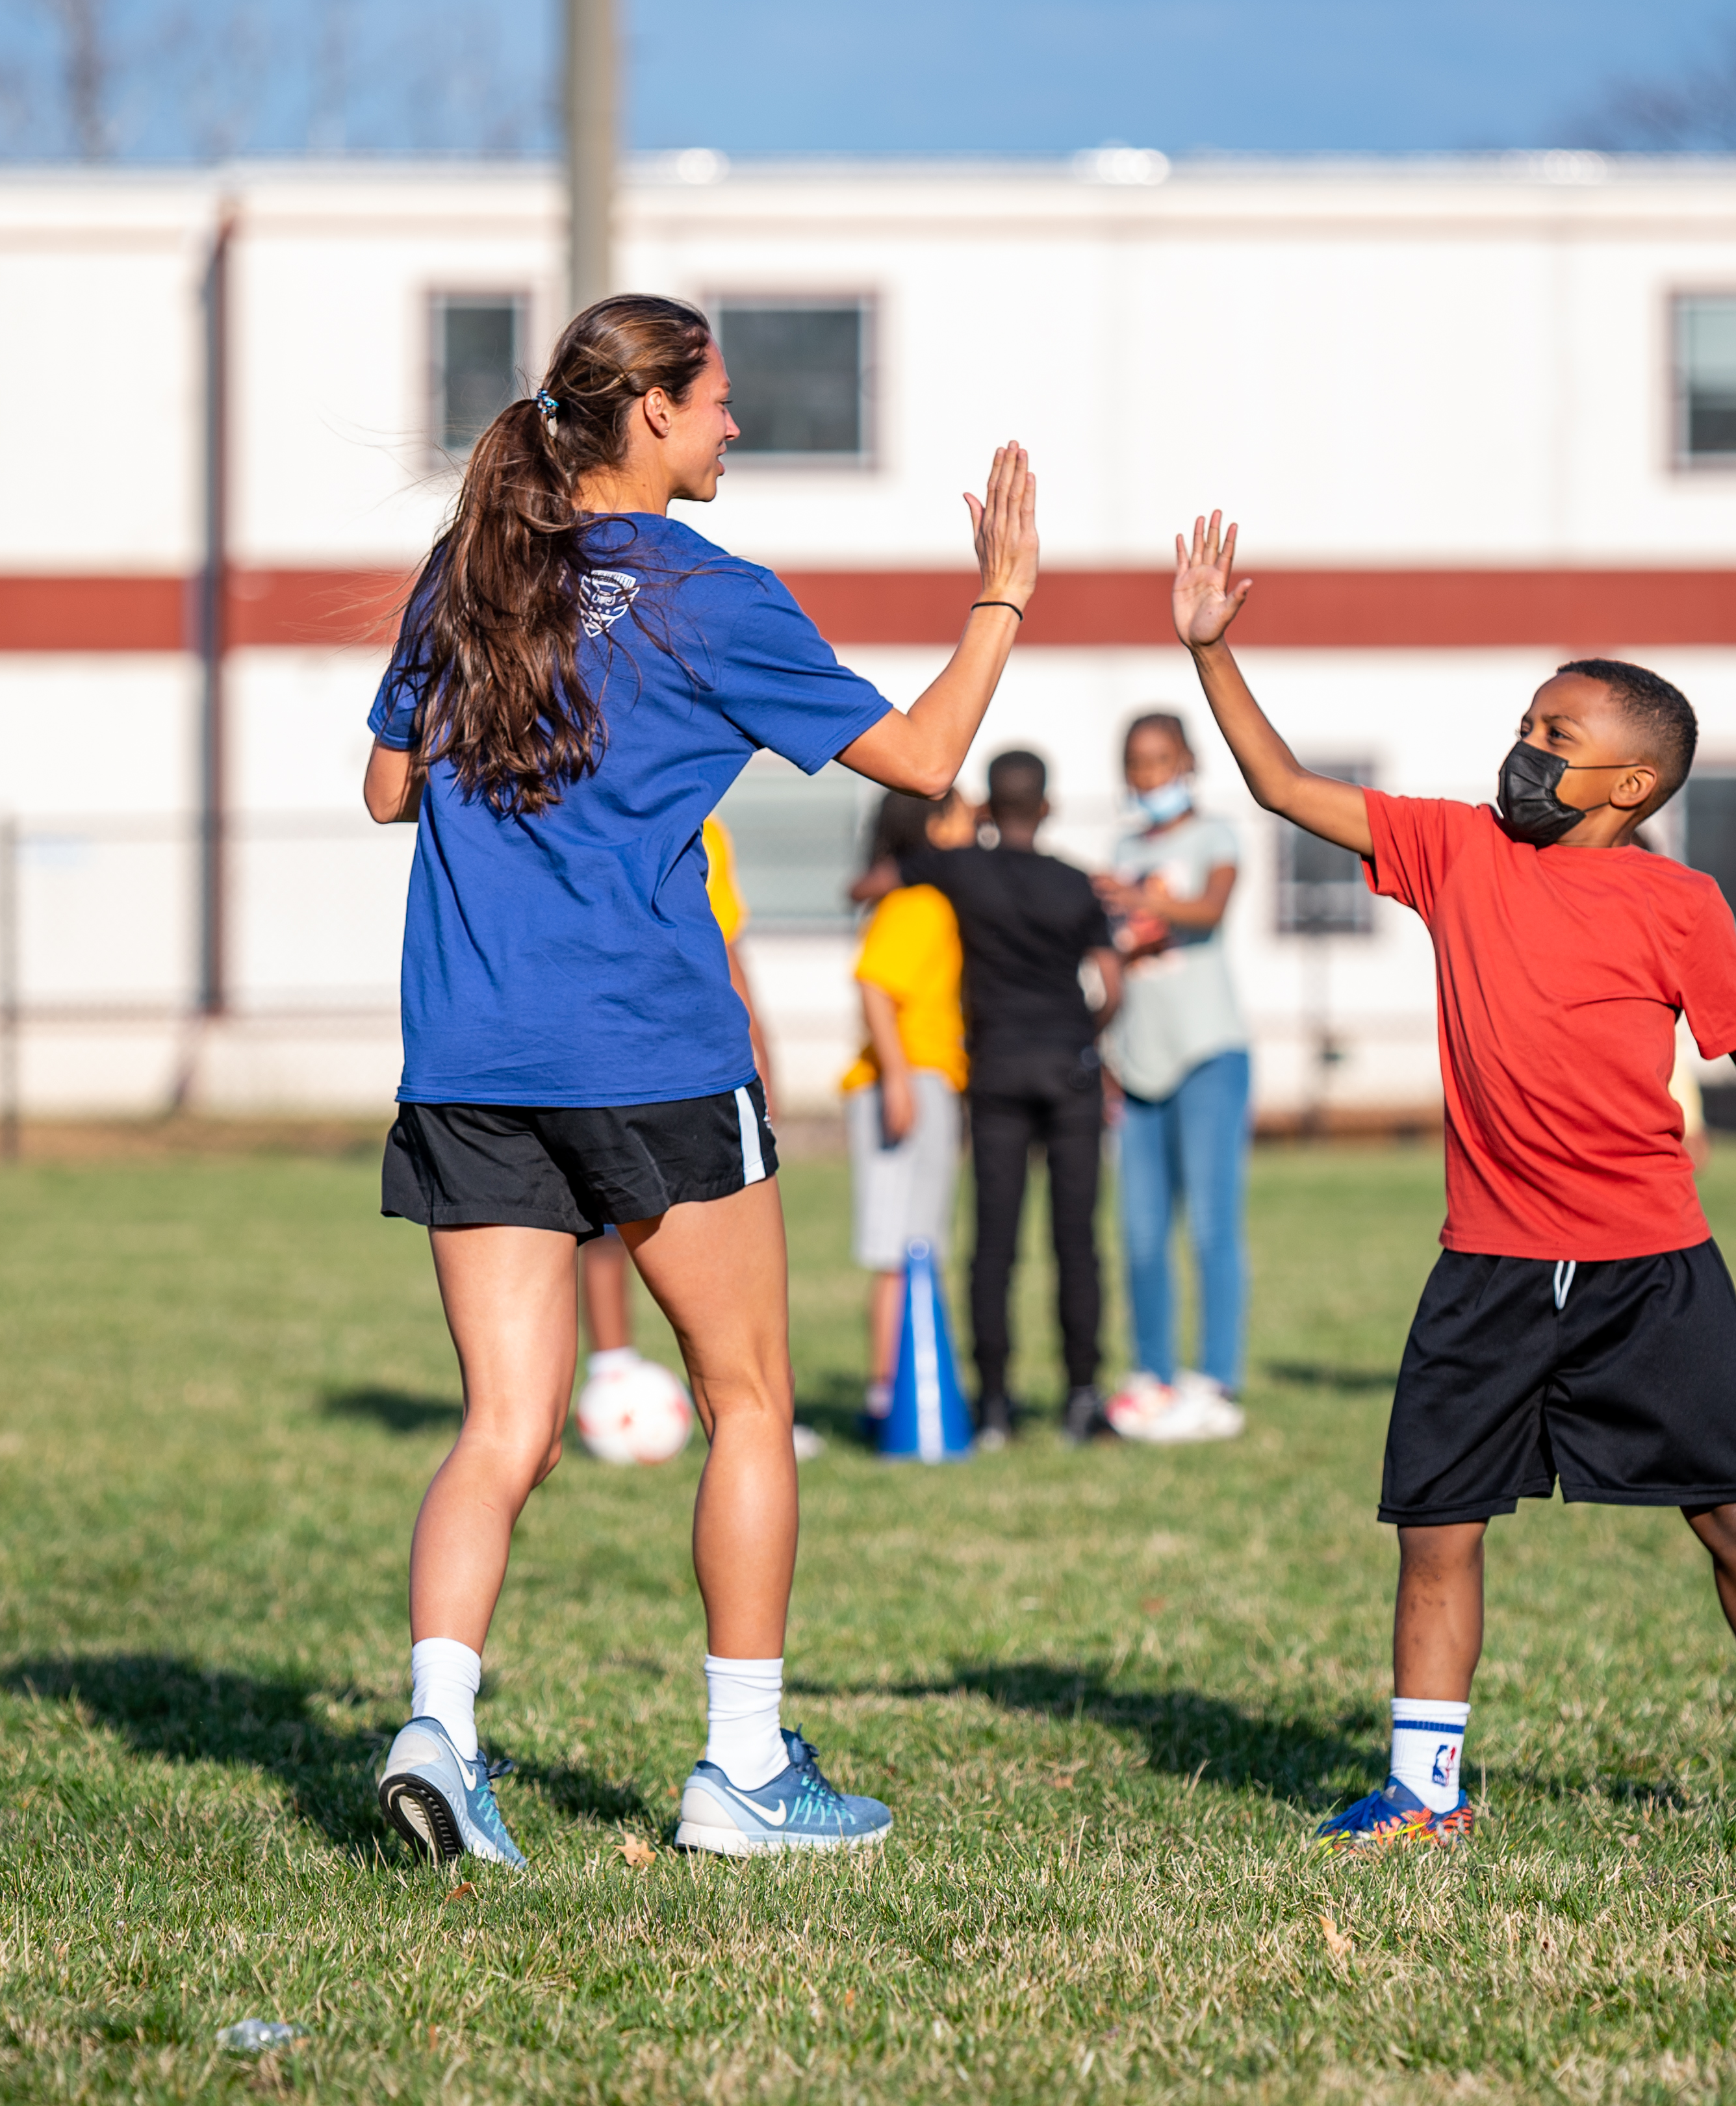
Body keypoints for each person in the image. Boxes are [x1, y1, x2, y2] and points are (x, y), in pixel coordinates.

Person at [361, 292, 1038, 1866]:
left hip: (467, 1051)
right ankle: (741, 1771)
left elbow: (390, 786)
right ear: (650, 414)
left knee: (503, 1426)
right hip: (647, 1046)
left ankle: (436, 1729)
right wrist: (1000, 599)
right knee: (745, 1399)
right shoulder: (708, 597)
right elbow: (927, 765)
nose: (736, 427)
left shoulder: (469, 573)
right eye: (720, 402)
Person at [1166, 511, 1736, 1849]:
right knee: (1437, 1525)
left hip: (1651, 1271)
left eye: (1557, 739)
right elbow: (1286, 787)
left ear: (1631, 785)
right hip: (1491, 1268)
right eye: (1527, 726)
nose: (1525, 751)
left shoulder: (1680, 905)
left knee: (1735, 1516)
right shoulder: (1456, 850)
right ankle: (1424, 1790)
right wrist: (1214, 652)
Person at [574, 814, 817, 1456]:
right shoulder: (577, 798)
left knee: (679, 1231)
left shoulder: (702, 822)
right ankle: (622, 1370)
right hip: (653, 1061)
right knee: (615, 1223)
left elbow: (723, 940)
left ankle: (738, 1397)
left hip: (653, 1057)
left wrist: (758, 1044)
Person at [899, 748, 1122, 1448]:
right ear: (1048, 806)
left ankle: (993, 1403)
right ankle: (1081, 1398)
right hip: (1068, 1067)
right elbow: (1112, 982)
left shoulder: (962, 870)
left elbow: (878, 879)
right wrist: (1084, 1033)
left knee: (993, 1242)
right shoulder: (1077, 883)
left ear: (989, 809)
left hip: (994, 1068)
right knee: (1075, 1240)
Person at [1094, 711, 1251, 1445]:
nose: (1150, 774)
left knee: (1212, 1225)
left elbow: (1211, 909)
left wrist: (1139, 900)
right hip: (1136, 1061)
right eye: (1138, 762)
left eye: (1162, 760)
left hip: (1207, 1052)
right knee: (1139, 1229)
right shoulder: (1123, 847)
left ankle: (1214, 1379)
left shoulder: (1214, 836)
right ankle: (1151, 1371)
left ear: (1187, 760)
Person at [841, 787, 978, 1431]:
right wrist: (897, 1079)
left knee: (920, 1240)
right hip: (908, 1081)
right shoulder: (917, 901)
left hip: (930, 1078)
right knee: (900, 1244)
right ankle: (885, 1395)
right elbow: (873, 985)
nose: (973, 823)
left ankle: (910, 1385)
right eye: (962, 813)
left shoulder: (934, 896)